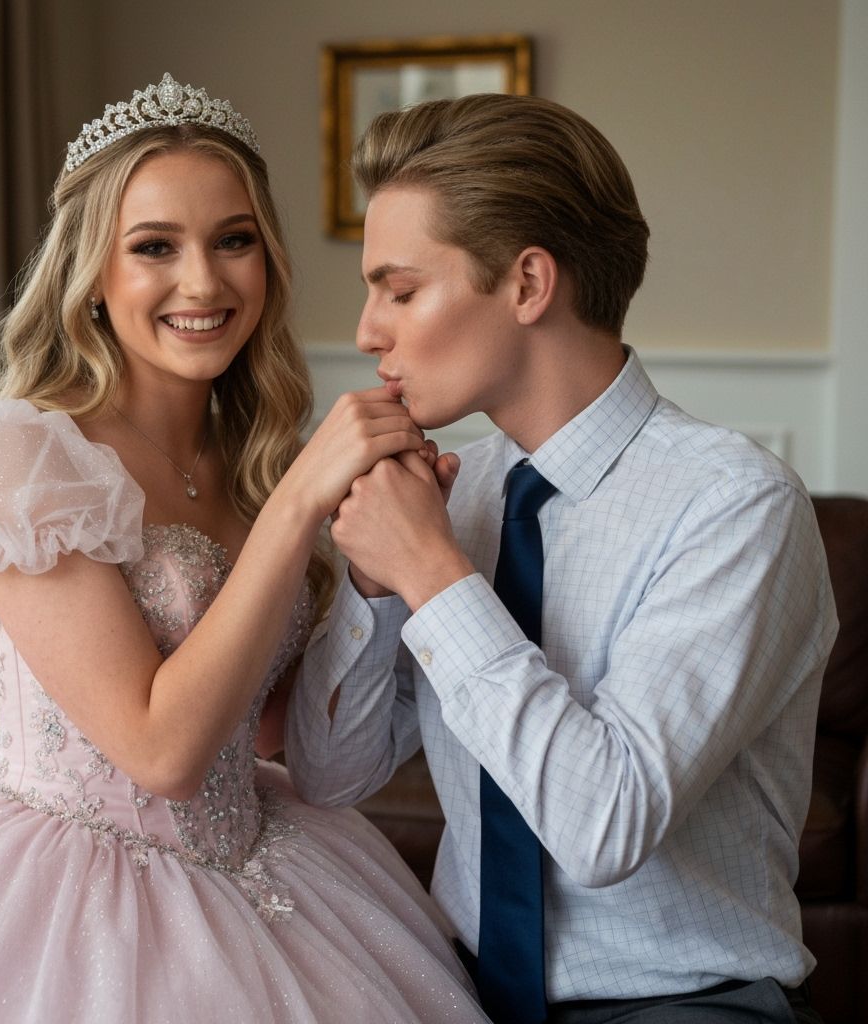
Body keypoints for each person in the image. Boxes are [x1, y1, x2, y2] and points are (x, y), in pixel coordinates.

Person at [0, 74, 490, 1024]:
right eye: (154, 247)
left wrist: (366, 578)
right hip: (51, 909)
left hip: (267, 874)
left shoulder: (256, 459)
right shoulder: (18, 454)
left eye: (234, 241)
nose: (204, 282)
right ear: (92, 274)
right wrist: (306, 498)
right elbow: (161, 752)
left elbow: (269, 736)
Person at [285, 93, 838, 1024]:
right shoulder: (449, 494)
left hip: (682, 1005)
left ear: (530, 284)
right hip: (456, 987)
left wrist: (433, 576)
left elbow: (605, 823)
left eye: (401, 288)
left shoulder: (736, 508)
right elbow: (331, 776)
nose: (368, 330)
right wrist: (377, 593)